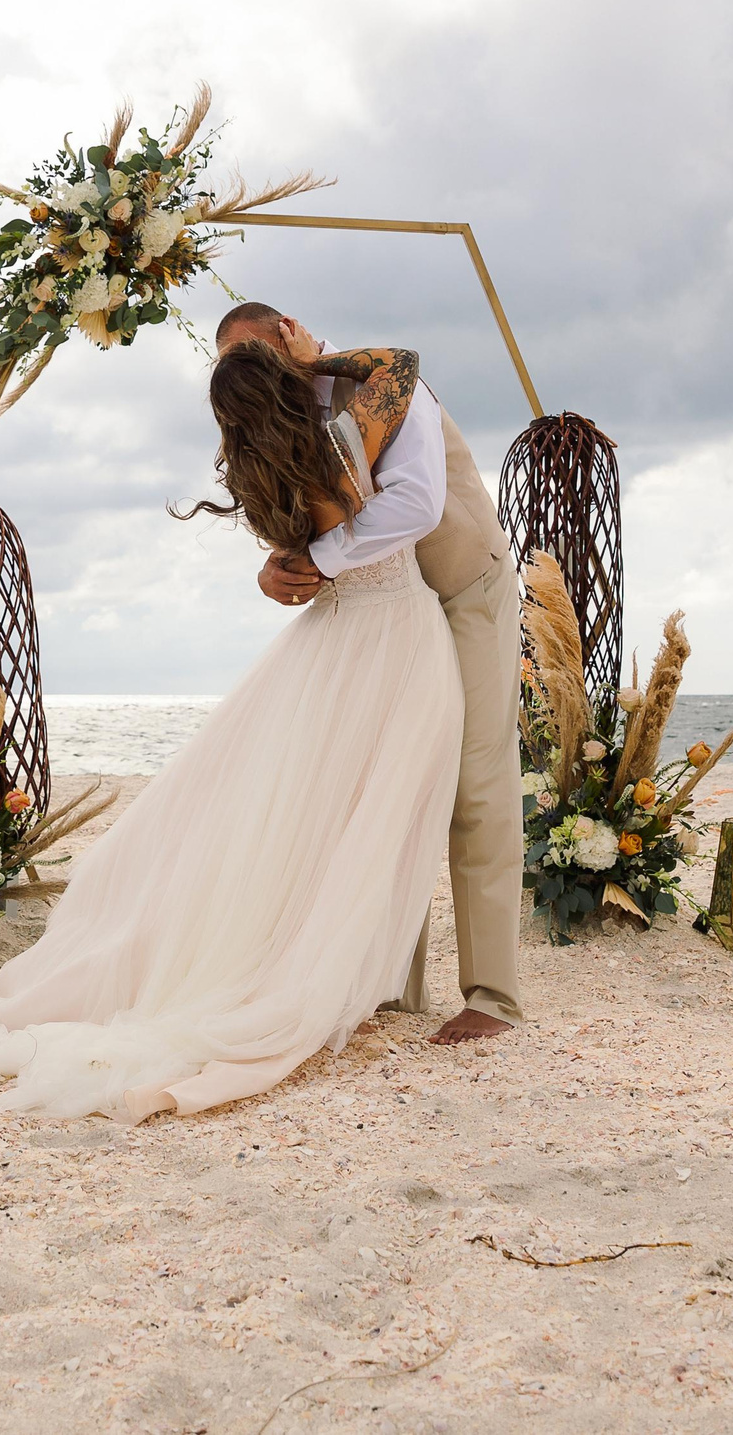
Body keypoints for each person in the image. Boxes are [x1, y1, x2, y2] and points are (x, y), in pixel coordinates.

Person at [0, 333, 461, 1119]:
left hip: (330, 640)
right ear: (289, 384)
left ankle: (320, 958)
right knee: (373, 811)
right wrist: (316, 355)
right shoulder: (348, 436)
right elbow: (401, 362)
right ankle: (333, 971)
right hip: (398, 632)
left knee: (302, 809)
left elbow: (295, 559)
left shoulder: (269, 482)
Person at [221, 302, 524, 1047]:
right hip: (386, 617)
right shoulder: (277, 409)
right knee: (386, 784)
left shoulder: (384, 382)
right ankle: (394, 984)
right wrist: (276, 567)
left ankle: (493, 994)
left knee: (476, 785)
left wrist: (319, 561)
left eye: (258, 355)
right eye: (234, 365)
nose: (252, 373)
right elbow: (306, 517)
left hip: (464, 589)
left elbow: (417, 503)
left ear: (290, 331)